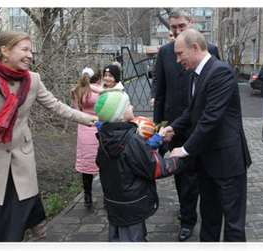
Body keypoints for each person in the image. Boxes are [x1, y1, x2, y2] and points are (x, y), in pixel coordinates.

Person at [0, 30, 97, 251]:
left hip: (21, 159)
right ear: (5, 51)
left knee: (30, 212)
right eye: (25, 49)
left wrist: (92, 120)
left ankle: (40, 247)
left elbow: (58, 107)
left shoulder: (33, 80)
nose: (30, 55)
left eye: (31, 50)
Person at [165, 29, 252, 251]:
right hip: (207, 161)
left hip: (228, 160)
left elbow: (210, 119)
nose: (177, 59)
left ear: (195, 48)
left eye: (180, 53)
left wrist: (184, 150)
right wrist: (172, 128)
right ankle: (207, 246)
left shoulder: (220, 72)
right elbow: (192, 111)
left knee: (233, 220)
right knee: (209, 211)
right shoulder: (196, 74)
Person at [153, 7, 220, 242]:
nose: (178, 30)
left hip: (200, 123)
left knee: (197, 171)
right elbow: (159, 91)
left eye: (182, 26)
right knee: (180, 172)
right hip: (174, 124)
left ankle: (194, 215)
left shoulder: (209, 51)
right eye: (174, 28)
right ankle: (186, 212)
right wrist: (157, 126)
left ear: (191, 23)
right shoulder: (164, 52)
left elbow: (215, 92)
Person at [94, 91, 185, 251]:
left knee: (116, 236)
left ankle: (143, 247)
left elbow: (132, 157)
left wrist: (157, 138)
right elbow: (156, 168)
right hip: (133, 202)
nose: (132, 105)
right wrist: (179, 159)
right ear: (121, 116)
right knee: (132, 240)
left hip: (115, 202)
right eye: (128, 104)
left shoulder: (105, 138)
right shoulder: (131, 140)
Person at [72, 66, 103, 207]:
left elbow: (76, 112)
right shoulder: (101, 92)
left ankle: (87, 197)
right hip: (99, 131)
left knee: (86, 166)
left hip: (84, 131)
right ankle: (107, 198)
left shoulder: (78, 91)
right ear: (99, 79)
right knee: (104, 166)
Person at [150, 30, 175, 108]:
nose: (173, 38)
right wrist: (154, 96)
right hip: (166, 98)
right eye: (170, 36)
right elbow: (156, 77)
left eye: (175, 36)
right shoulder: (163, 52)